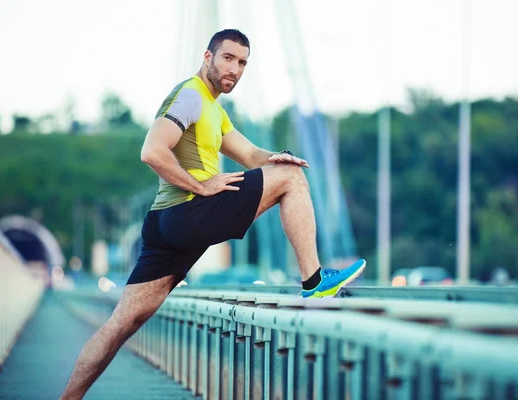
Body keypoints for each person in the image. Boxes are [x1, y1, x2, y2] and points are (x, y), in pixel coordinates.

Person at [59, 28, 365, 399]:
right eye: (228, 58)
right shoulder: (190, 96)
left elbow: (250, 156)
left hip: (165, 224)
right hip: (189, 213)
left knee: (122, 323)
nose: (234, 69)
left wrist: (274, 158)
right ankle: (315, 283)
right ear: (208, 58)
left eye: (242, 63)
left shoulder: (214, 110)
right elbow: (152, 151)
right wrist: (201, 186)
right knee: (293, 180)